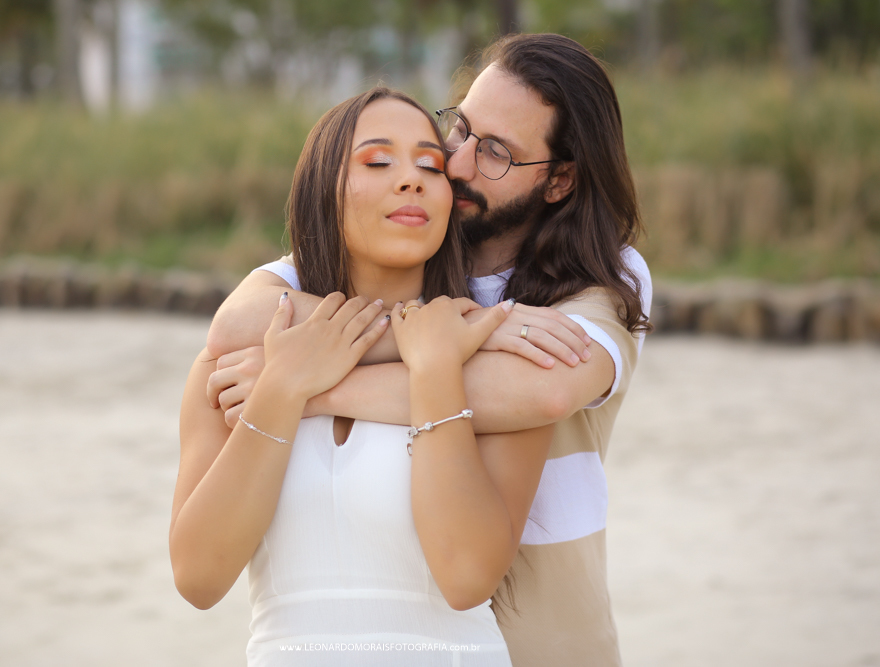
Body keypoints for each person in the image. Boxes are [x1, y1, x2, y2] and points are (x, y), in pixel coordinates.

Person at [205, 34, 653, 667]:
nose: (459, 163)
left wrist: (309, 384)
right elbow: (242, 321)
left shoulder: (604, 279)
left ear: (559, 181)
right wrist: (470, 329)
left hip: (545, 647)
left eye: (495, 152)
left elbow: (540, 390)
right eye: (462, 129)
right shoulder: (409, 240)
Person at [172, 86, 556, 666]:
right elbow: (199, 578)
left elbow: (466, 577)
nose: (412, 179)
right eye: (378, 161)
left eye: (431, 166)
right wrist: (282, 389)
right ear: (322, 191)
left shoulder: (495, 370)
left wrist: (433, 369)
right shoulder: (241, 367)